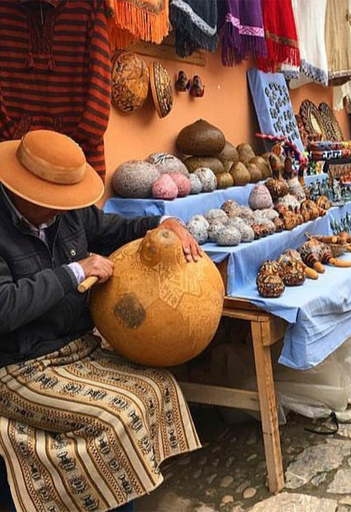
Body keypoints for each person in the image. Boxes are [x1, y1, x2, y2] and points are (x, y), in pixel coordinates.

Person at [0, 130, 203, 512]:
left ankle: (114, 499)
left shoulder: (69, 212)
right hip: (18, 364)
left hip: (77, 347)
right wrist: (73, 272)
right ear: (22, 192)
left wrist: (163, 224)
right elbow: (4, 306)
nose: (61, 209)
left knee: (159, 386)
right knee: (115, 418)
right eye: (51, 201)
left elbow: (114, 230)